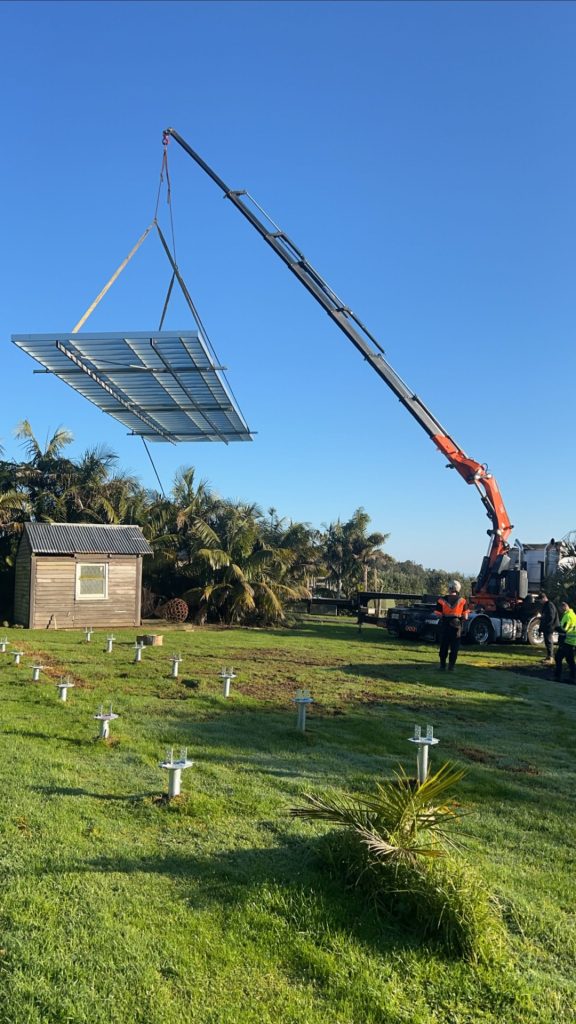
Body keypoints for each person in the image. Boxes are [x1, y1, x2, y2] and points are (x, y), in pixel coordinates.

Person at [434, 580, 469, 672]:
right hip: (456, 626)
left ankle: (442, 666)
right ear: (458, 589)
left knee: (444, 645)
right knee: (455, 647)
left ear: (449, 588)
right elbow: (465, 616)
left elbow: (438, 614)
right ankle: (451, 667)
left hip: (445, 625)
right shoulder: (463, 601)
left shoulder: (441, 600)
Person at [554, 599, 576, 684]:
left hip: (566, 641)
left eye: (560, 608)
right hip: (572, 641)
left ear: (564, 606)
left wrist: (556, 628)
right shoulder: (573, 615)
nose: (560, 610)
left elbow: (564, 629)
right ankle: (572, 677)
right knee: (570, 660)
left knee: (559, 658)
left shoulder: (567, 616)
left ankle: (558, 676)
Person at [538, 592, 559, 666]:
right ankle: (548, 656)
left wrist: (547, 625)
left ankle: (551, 657)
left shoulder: (549, 605)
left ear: (544, 598)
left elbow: (551, 617)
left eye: (540, 600)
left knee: (549, 641)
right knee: (547, 642)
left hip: (550, 627)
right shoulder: (546, 605)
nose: (540, 602)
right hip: (547, 626)